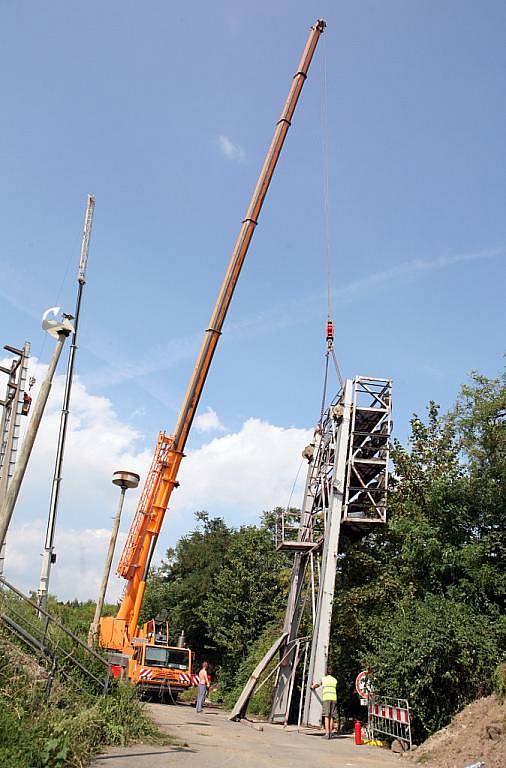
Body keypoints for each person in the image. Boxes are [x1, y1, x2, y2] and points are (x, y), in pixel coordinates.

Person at [311, 669, 338, 739]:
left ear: (326, 673)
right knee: (331, 716)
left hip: (327, 698)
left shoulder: (324, 679)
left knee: (326, 716)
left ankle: (327, 733)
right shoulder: (334, 680)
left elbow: (317, 685)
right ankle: (331, 733)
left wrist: (312, 687)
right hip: (334, 698)